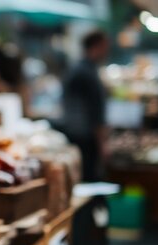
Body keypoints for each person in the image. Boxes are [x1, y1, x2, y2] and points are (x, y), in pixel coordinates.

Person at [61, 30, 110, 182]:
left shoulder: (78, 69)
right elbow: (95, 111)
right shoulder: (86, 73)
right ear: (97, 46)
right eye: (105, 46)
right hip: (85, 139)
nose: (107, 51)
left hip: (77, 135)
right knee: (89, 181)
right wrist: (102, 144)